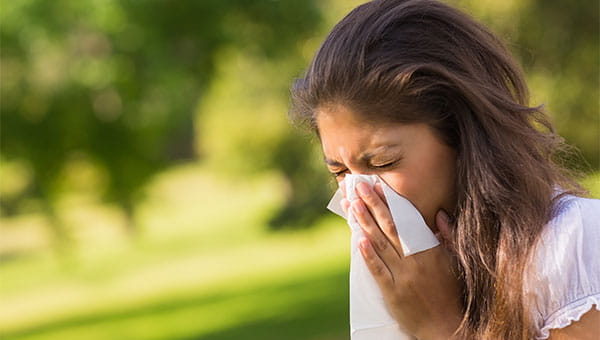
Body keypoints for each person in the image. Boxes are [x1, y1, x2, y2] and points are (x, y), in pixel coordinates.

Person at [289, 0, 600, 339]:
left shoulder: (573, 247)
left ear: (462, 136)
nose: (359, 195)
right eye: (339, 172)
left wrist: (437, 326)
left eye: (383, 163)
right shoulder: (409, 281)